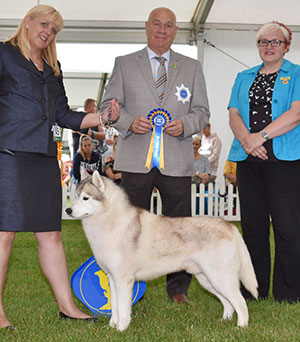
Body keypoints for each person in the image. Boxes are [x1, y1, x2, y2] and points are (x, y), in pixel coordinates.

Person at [0, 5, 119, 329]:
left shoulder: (53, 69)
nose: (48, 33)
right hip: (8, 155)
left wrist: (102, 117)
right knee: (3, 235)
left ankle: (68, 307)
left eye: (54, 30)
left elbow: (65, 115)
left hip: (43, 158)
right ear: (27, 22)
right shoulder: (3, 55)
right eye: (44, 25)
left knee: (51, 234)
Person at [100, 7, 210, 304]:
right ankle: (131, 285)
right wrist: (126, 121)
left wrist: (184, 125)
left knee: (180, 228)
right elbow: (107, 108)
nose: (162, 30)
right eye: (157, 24)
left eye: (169, 25)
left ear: (176, 31)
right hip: (135, 158)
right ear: (147, 27)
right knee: (131, 227)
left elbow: (202, 112)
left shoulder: (192, 67)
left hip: (177, 160)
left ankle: (178, 289)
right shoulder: (124, 64)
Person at [227, 21, 300, 302]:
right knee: (253, 227)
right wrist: (247, 140)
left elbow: (296, 114)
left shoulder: (295, 75)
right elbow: (233, 113)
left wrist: (261, 136)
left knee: (288, 227)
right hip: (248, 158)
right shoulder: (243, 76)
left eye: (275, 42)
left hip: (285, 159)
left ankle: (289, 292)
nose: (269, 47)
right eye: (263, 42)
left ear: (286, 46)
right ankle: (253, 288)